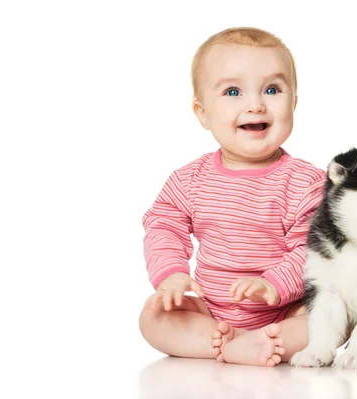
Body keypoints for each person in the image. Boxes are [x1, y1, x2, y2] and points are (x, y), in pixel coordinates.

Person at [138, 26, 326, 367]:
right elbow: (164, 226)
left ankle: (267, 339)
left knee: (329, 316)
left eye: (272, 89)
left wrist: (274, 284)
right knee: (153, 316)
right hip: (212, 309)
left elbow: (315, 249)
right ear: (203, 113)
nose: (255, 105)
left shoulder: (306, 182)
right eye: (233, 91)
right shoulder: (189, 180)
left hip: (285, 307)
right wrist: (171, 275)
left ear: (294, 103)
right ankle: (225, 342)